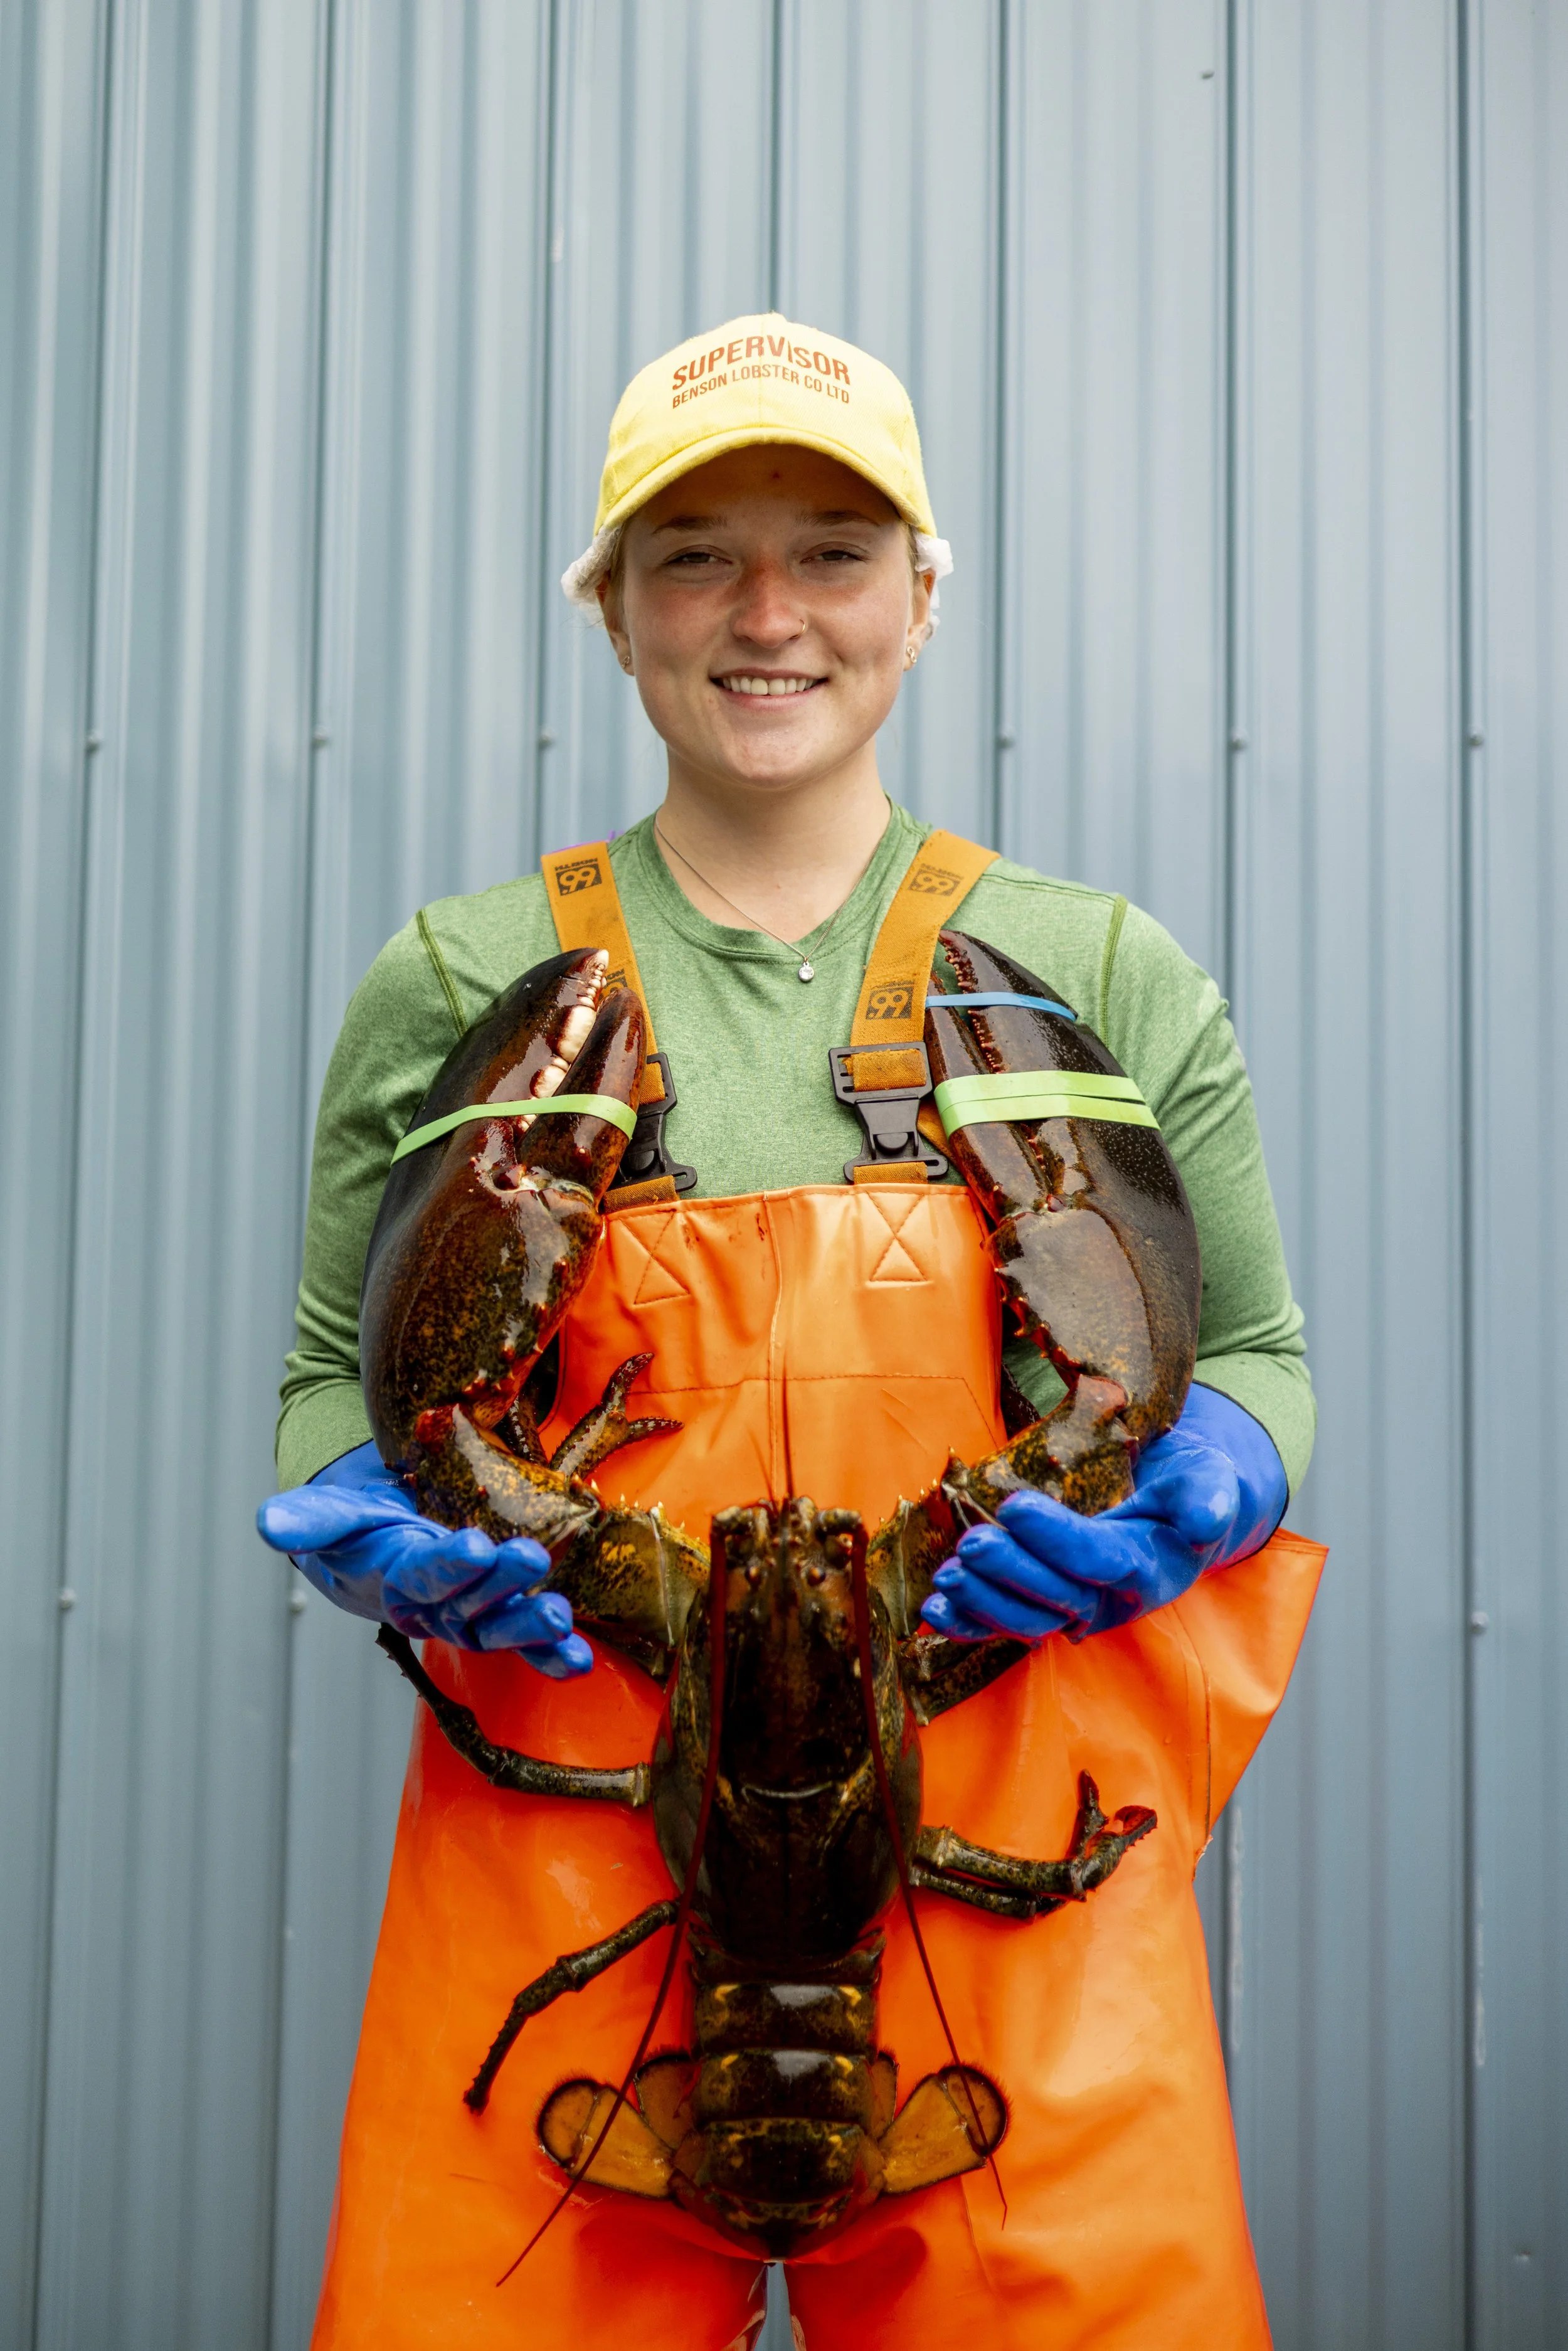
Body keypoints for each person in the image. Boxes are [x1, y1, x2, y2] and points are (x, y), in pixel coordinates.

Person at [260, 314, 1323, 2350]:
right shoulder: (464, 973)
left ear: (922, 597)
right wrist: (359, 1482)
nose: (767, 614)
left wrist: (1210, 1471)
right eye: (693, 555)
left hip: (1002, 1874)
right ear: (611, 608)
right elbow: (336, 1366)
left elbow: (1254, 1350)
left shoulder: (1099, 966)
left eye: (833, 551)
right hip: (569, 1892)